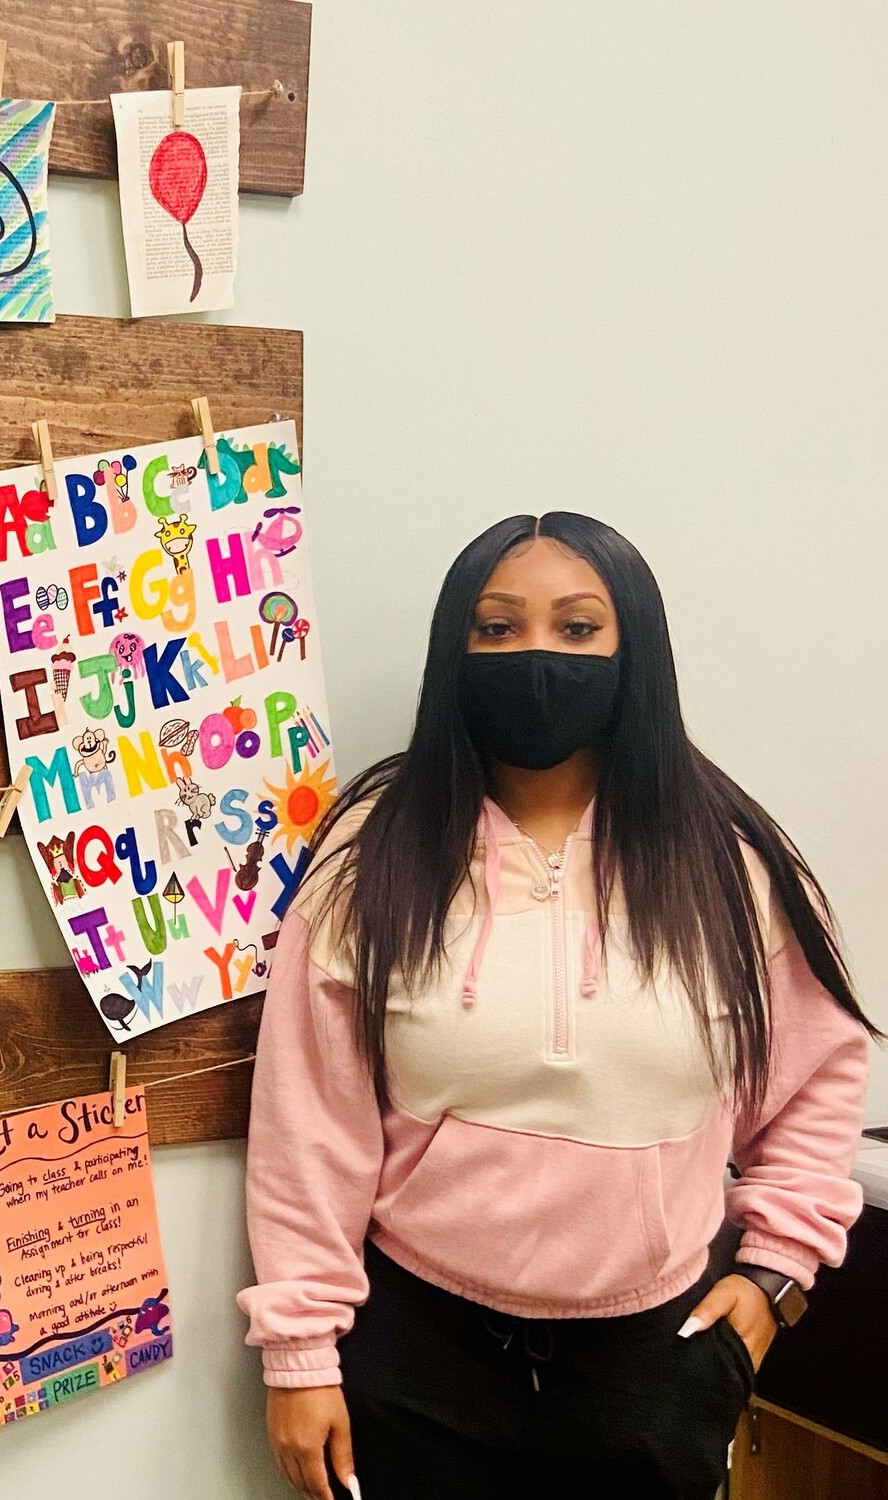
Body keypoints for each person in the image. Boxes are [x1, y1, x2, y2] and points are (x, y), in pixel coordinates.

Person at [239, 513, 876, 1500]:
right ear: (454, 647)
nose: (533, 655)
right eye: (495, 628)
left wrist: (775, 1274)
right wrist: (298, 1354)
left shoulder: (731, 858)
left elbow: (820, 1072)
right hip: (413, 1355)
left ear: (635, 651)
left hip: (655, 1361)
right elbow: (306, 1125)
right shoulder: (374, 850)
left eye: (576, 629)